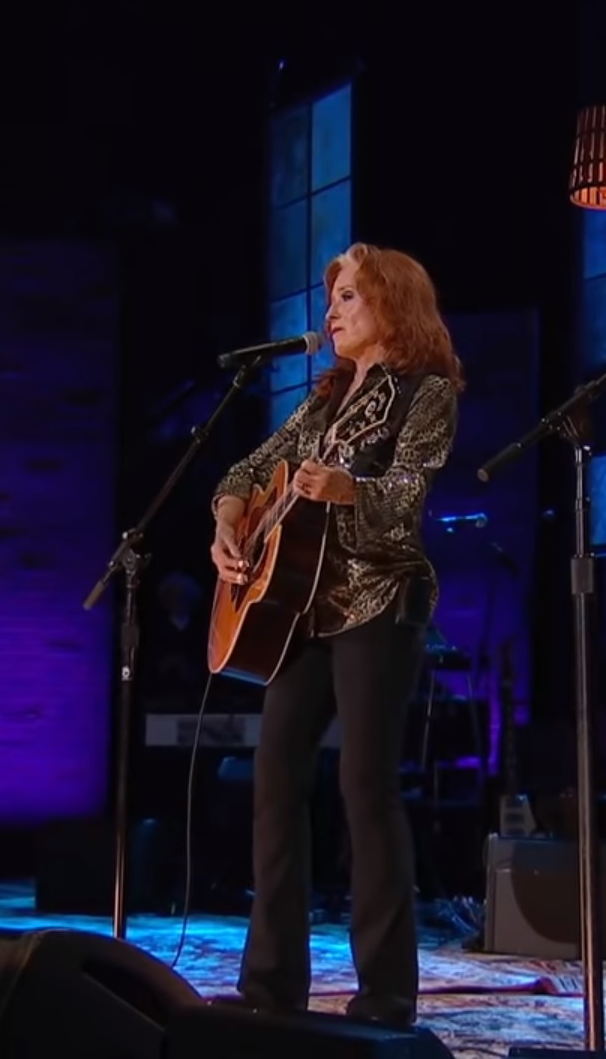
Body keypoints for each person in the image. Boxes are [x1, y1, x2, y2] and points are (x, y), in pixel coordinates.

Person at [210, 242, 464, 1027]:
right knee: (274, 778)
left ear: (391, 302)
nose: (332, 311)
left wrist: (351, 488)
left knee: (365, 785)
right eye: (333, 298)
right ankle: (270, 985)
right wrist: (229, 518)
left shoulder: (426, 391)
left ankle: (385, 994)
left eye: (349, 296)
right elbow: (251, 467)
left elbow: (410, 492)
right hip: (303, 608)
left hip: (380, 601)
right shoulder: (323, 400)